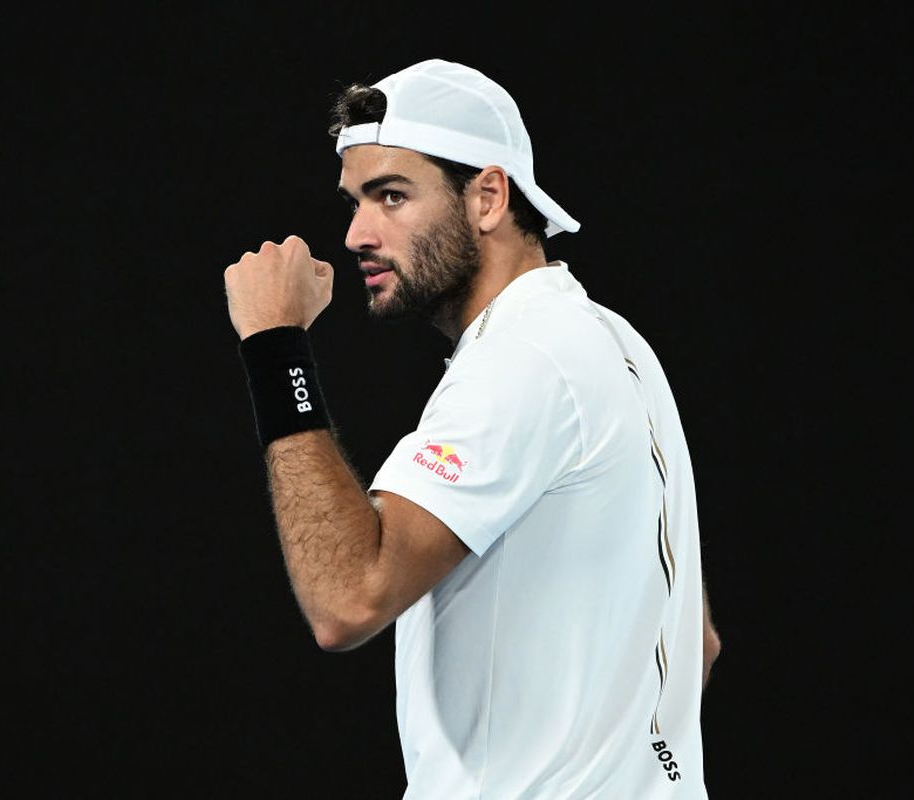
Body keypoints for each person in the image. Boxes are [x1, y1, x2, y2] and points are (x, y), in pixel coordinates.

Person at [224, 58, 719, 799]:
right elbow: (696, 640)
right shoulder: (613, 343)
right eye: (355, 200)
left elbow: (348, 597)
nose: (358, 232)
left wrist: (275, 349)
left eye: (392, 196)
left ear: (488, 196)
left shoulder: (524, 358)